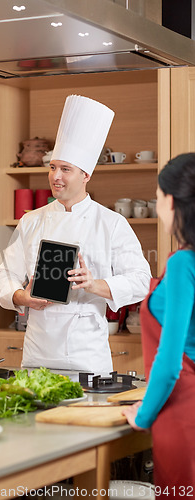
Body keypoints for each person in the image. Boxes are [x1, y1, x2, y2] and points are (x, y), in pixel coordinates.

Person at [0, 95, 151, 374]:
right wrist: (21, 296)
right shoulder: (31, 221)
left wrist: (93, 284)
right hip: (38, 354)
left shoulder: (111, 223)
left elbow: (141, 281)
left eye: (66, 169)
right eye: (53, 167)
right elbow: (4, 273)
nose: (56, 176)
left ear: (86, 175)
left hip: (88, 356)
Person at [123, 153, 195, 491]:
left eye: (157, 196)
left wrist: (143, 414)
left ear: (172, 200)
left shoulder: (184, 263)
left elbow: (169, 363)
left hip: (182, 414)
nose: (156, 202)